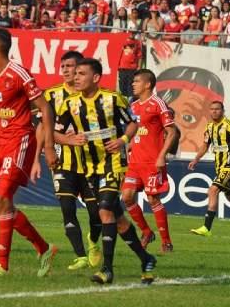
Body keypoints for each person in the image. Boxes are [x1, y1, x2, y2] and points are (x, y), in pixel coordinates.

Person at [0, 28, 59, 277]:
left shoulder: (18, 73)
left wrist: (48, 147)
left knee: (1, 196)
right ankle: (44, 248)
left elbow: (45, 108)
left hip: (20, 142)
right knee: (2, 204)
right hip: (1, 145)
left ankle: (2, 265)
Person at [55, 58, 156, 285]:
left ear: (96, 78)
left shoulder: (112, 99)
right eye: (76, 73)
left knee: (104, 211)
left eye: (81, 74)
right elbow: (55, 133)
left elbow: (132, 123)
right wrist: (70, 140)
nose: (76, 77)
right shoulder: (70, 103)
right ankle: (146, 258)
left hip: (113, 162)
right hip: (89, 167)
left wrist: (123, 140)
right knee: (117, 219)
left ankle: (107, 269)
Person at [35, 50, 103, 271]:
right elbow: (43, 128)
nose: (65, 70)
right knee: (67, 207)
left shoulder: (97, 96)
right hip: (63, 162)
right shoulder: (52, 95)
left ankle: (93, 242)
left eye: (70, 66)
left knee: (96, 212)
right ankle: (81, 255)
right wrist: (39, 157)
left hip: (92, 163)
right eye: (62, 66)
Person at [121, 69, 179, 254]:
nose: (133, 84)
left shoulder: (158, 104)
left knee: (153, 198)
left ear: (147, 84)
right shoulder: (133, 105)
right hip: (134, 162)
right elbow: (136, 130)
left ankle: (166, 242)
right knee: (127, 197)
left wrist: (162, 155)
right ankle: (146, 232)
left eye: (137, 81)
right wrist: (129, 144)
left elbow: (172, 132)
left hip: (152, 162)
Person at [188, 101, 230, 240]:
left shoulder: (229, 125)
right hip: (219, 166)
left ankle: (206, 228)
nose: (214, 111)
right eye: (211, 109)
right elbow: (205, 145)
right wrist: (196, 159)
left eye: (217, 109)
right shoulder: (210, 127)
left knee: (213, 190)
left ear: (222, 110)